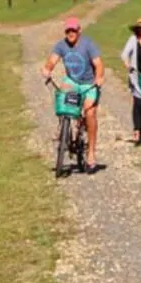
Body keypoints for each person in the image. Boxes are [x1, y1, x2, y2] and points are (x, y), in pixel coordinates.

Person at [40, 17, 105, 172]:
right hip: (72, 81)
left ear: (79, 30)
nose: (70, 33)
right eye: (68, 30)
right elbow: (52, 60)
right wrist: (47, 69)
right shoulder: (61, 45)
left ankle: (91, 153)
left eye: (73, 30)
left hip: (89, 83)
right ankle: (62, 126)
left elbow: (99, 64)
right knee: (62, 96)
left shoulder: (88, 44)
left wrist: (99, 78)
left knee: (90, 113)